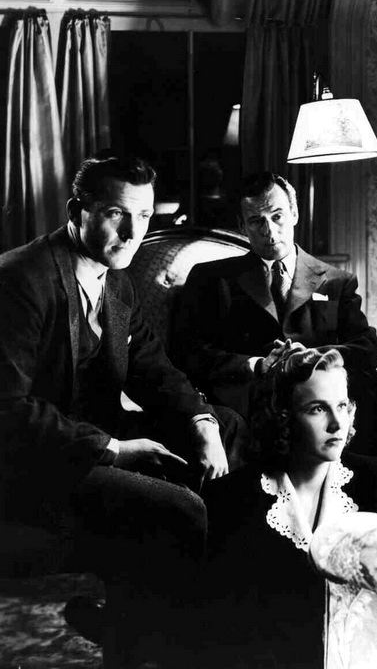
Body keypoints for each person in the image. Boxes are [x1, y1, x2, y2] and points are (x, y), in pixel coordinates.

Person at [0, 155, 241, 664]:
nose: (133, 232)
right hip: (36, 464)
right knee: (180, 508)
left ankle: (158, 619)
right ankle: (160, 640)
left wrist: (202, 422)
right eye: (116, 213)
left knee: (229, 428)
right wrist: (113, 449)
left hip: (92, 438)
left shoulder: (118, 282)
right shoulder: (21, 279)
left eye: (144, 215)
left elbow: (154, 371)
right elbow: (9, 410)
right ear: (77, 211)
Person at [192, 346, 377, 668]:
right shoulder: (232, 498)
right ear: (282, 416)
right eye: (317, 409)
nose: (336, 424)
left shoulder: (376, 480)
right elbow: (223, 631)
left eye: (342, 406)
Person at [173, 171, 377, 455]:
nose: (270, 231)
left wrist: (313, 357)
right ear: (242, 225)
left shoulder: (337, 281)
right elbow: (186, 352)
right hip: (248, 408)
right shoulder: (212, 279)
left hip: (319, 401)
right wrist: (255, 364)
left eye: (277, 216)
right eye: (256, 221)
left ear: (294, 214)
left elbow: (368, 348)